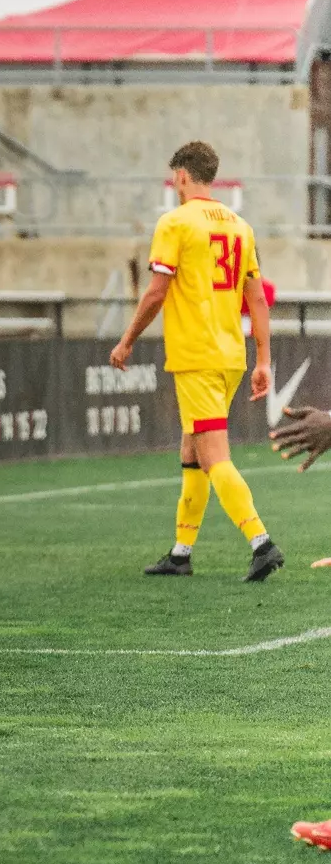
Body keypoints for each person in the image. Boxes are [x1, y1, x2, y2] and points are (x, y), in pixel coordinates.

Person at [110, 140, 283, 581]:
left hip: (197, 356)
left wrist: (127, 339)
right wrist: (263, 359)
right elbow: (257, 299)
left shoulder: (175, 222)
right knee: (192, 449)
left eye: (174, 177)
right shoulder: (240, 226)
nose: (174, 184)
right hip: (230, 356)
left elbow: (156, 291)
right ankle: (181, 553)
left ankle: (261, 543)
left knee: (213, 455)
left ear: (183, 175)